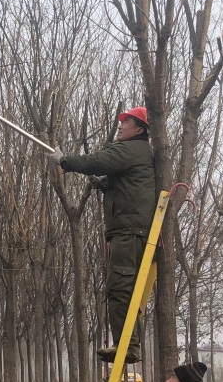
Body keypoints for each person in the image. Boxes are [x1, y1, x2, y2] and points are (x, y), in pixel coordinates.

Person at [48, 106, 156, 363]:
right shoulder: (139, 154)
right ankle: (127, 343)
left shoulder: (130, 150)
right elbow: (133, 185)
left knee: (120, 288)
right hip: (131, 230)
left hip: (129, 232)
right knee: (123, 288)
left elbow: (97, 161)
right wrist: (107, 185)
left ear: (139, 130)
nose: (120, 125)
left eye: (126, 122)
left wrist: (65, 161)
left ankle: (127, 346)